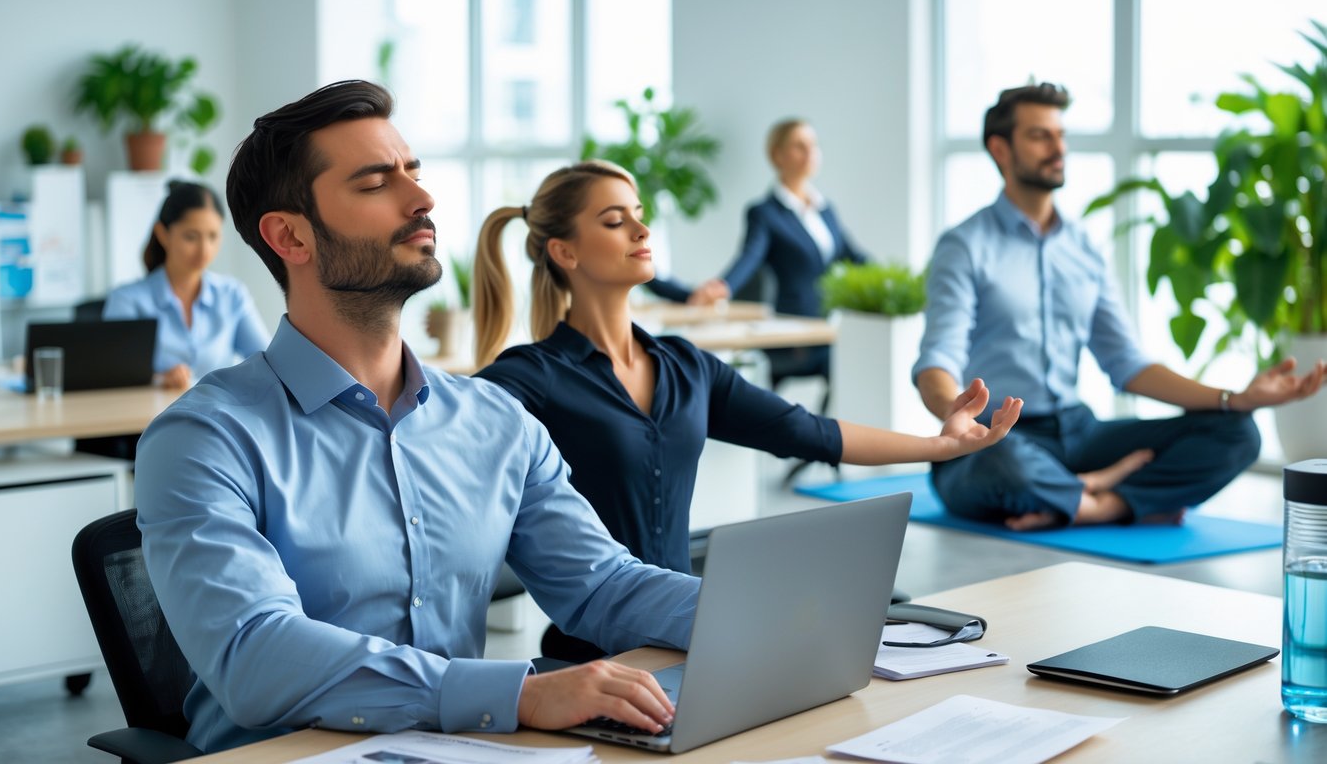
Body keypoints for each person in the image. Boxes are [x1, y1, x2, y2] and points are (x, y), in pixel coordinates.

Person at [133, 81, 700, 754]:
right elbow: (256, 653)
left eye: (414, 174)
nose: (421, 199)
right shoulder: (204, 439)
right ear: (290, 236)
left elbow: (602, 585)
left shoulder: (495, 420)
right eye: (376, 184)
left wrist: (778, 617)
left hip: (464, 747)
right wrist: (513, 694)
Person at [471, 160, 1023, 662]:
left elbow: (808, 432)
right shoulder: (531, 376)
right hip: (591, 652)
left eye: (639, 215)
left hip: (695, 630)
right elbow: (445, 444)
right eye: (615, 221)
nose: (642, 230)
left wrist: (943, 445)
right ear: (564, 252)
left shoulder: (687, 366)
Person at [912, 82, 1326, 531]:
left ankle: (1096, 501)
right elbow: (938, 362)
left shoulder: (1083, 249)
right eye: (1039, 136)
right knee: (1001, 462)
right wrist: (962, 421)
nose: (1058, 148)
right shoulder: (964, 246)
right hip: (1000, 432)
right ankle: (1102, 493)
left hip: (1078, 431)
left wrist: (1236, 399)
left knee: (1237, 432)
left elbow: (1127, 364)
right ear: (1001, 149)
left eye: (1061, 135)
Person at [676, 118, 870, 388]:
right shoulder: (765, 213)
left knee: (860, 355)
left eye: (813, 145)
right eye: (799, 146)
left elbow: (855, 258)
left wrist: (895, 284)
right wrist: (723, 287)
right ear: (777, 155)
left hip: (826, 325)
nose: (810, 152)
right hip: (791, 334)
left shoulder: (826, 211)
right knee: (850, 363)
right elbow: (750, 256)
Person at [103, 180, 270, 389]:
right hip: (153, 417)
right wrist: (159, 379)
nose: (204, 250)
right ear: (163, 234)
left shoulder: (232, 294)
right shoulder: (127, 301)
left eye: (213, 236)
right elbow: (112, 376)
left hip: (220, 415)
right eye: (191, 237)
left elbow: (268, 362)